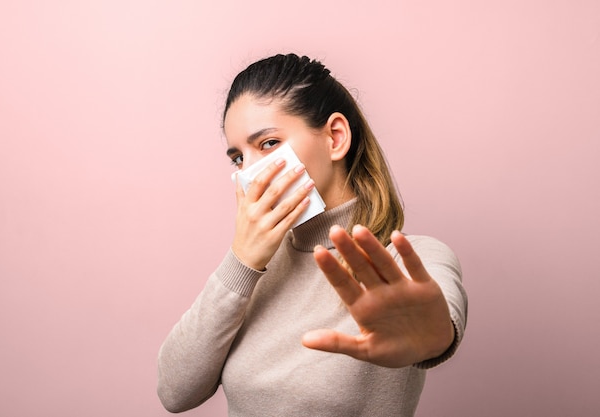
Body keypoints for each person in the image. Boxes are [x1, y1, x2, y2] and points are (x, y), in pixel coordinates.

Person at [157, 53, 468, 416]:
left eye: (268, 143)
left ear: (335, 138)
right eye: (237, 158)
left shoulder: (405, 259)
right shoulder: (253, 272)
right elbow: (174, 392)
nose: (249, 172)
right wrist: (241, 261)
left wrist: (432, 337)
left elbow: (437, 321)